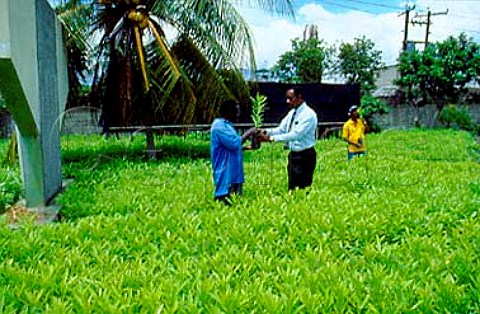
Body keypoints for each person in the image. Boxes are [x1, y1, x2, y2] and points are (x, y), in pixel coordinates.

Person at [258, 87, 318, 190]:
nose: (287, 101)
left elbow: (295, 134)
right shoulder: (292, 113)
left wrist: (271, 138)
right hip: (294, 155)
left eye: (290, 98)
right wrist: (265, 131)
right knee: (292, 186)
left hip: (305, 155)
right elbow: (281, 129)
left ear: (299, 98)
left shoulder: (309, 115)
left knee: (303, 188)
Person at [210, 100, 257, 204]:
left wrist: (247, 147)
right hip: (225, 172)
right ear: (228, 112)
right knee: (225, 200)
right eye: (236, 111)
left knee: (236, 200)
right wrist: (249, 132)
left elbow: (228, 147)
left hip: (234, 172)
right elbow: (234, 143)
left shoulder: (227, 125)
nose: (238, 114)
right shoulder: (219, 126)